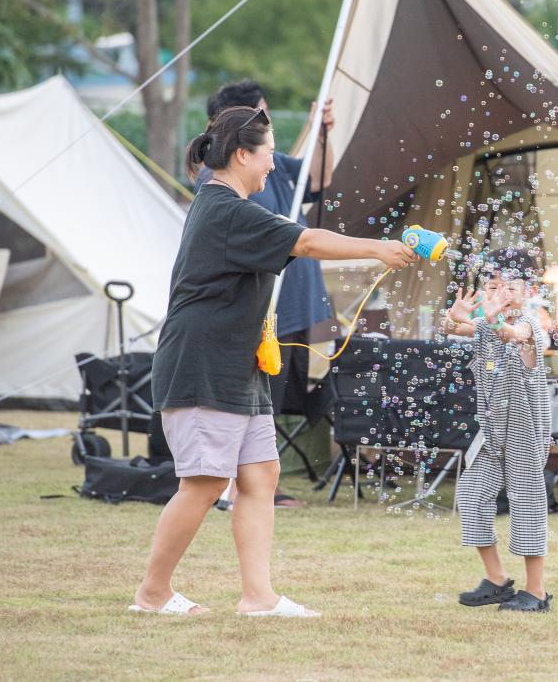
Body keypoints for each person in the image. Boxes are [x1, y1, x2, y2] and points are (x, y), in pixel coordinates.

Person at [130, 106, 416, 616]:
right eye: (267, 155)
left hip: (241, 363)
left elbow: (297, 237)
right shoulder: (224, 208)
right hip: (202, 363)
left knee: (260, 475)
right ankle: (152, 593)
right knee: (205, 483)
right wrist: (379, 248)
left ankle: (257, 598)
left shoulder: (229, 203)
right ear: (242, 155)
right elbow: (305, 240)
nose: (272, 166)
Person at [200, 82, 331, 491]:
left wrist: (320, 130)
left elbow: (315, 177)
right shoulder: (222, 186)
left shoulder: (269, 169)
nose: (268, 124)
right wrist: (381, 250)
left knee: (281, 397)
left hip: (298, 302)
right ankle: (243, 484)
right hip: (264, 307)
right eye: (261, 117)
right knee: (261, 399)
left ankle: (259, 484)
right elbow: (300, 239)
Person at [445, 248, 554, 612]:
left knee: (526, 505)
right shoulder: (486, 325)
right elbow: (456, 326)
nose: (501, 293)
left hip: (526, 430)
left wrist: (488, 322)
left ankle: (536, 592)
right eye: (492, 285)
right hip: (492, 430)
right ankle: (496, 580)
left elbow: (511, 333)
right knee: (472, 497)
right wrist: (452, 316)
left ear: (531, 289)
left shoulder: (533, 326)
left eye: (510, 286)